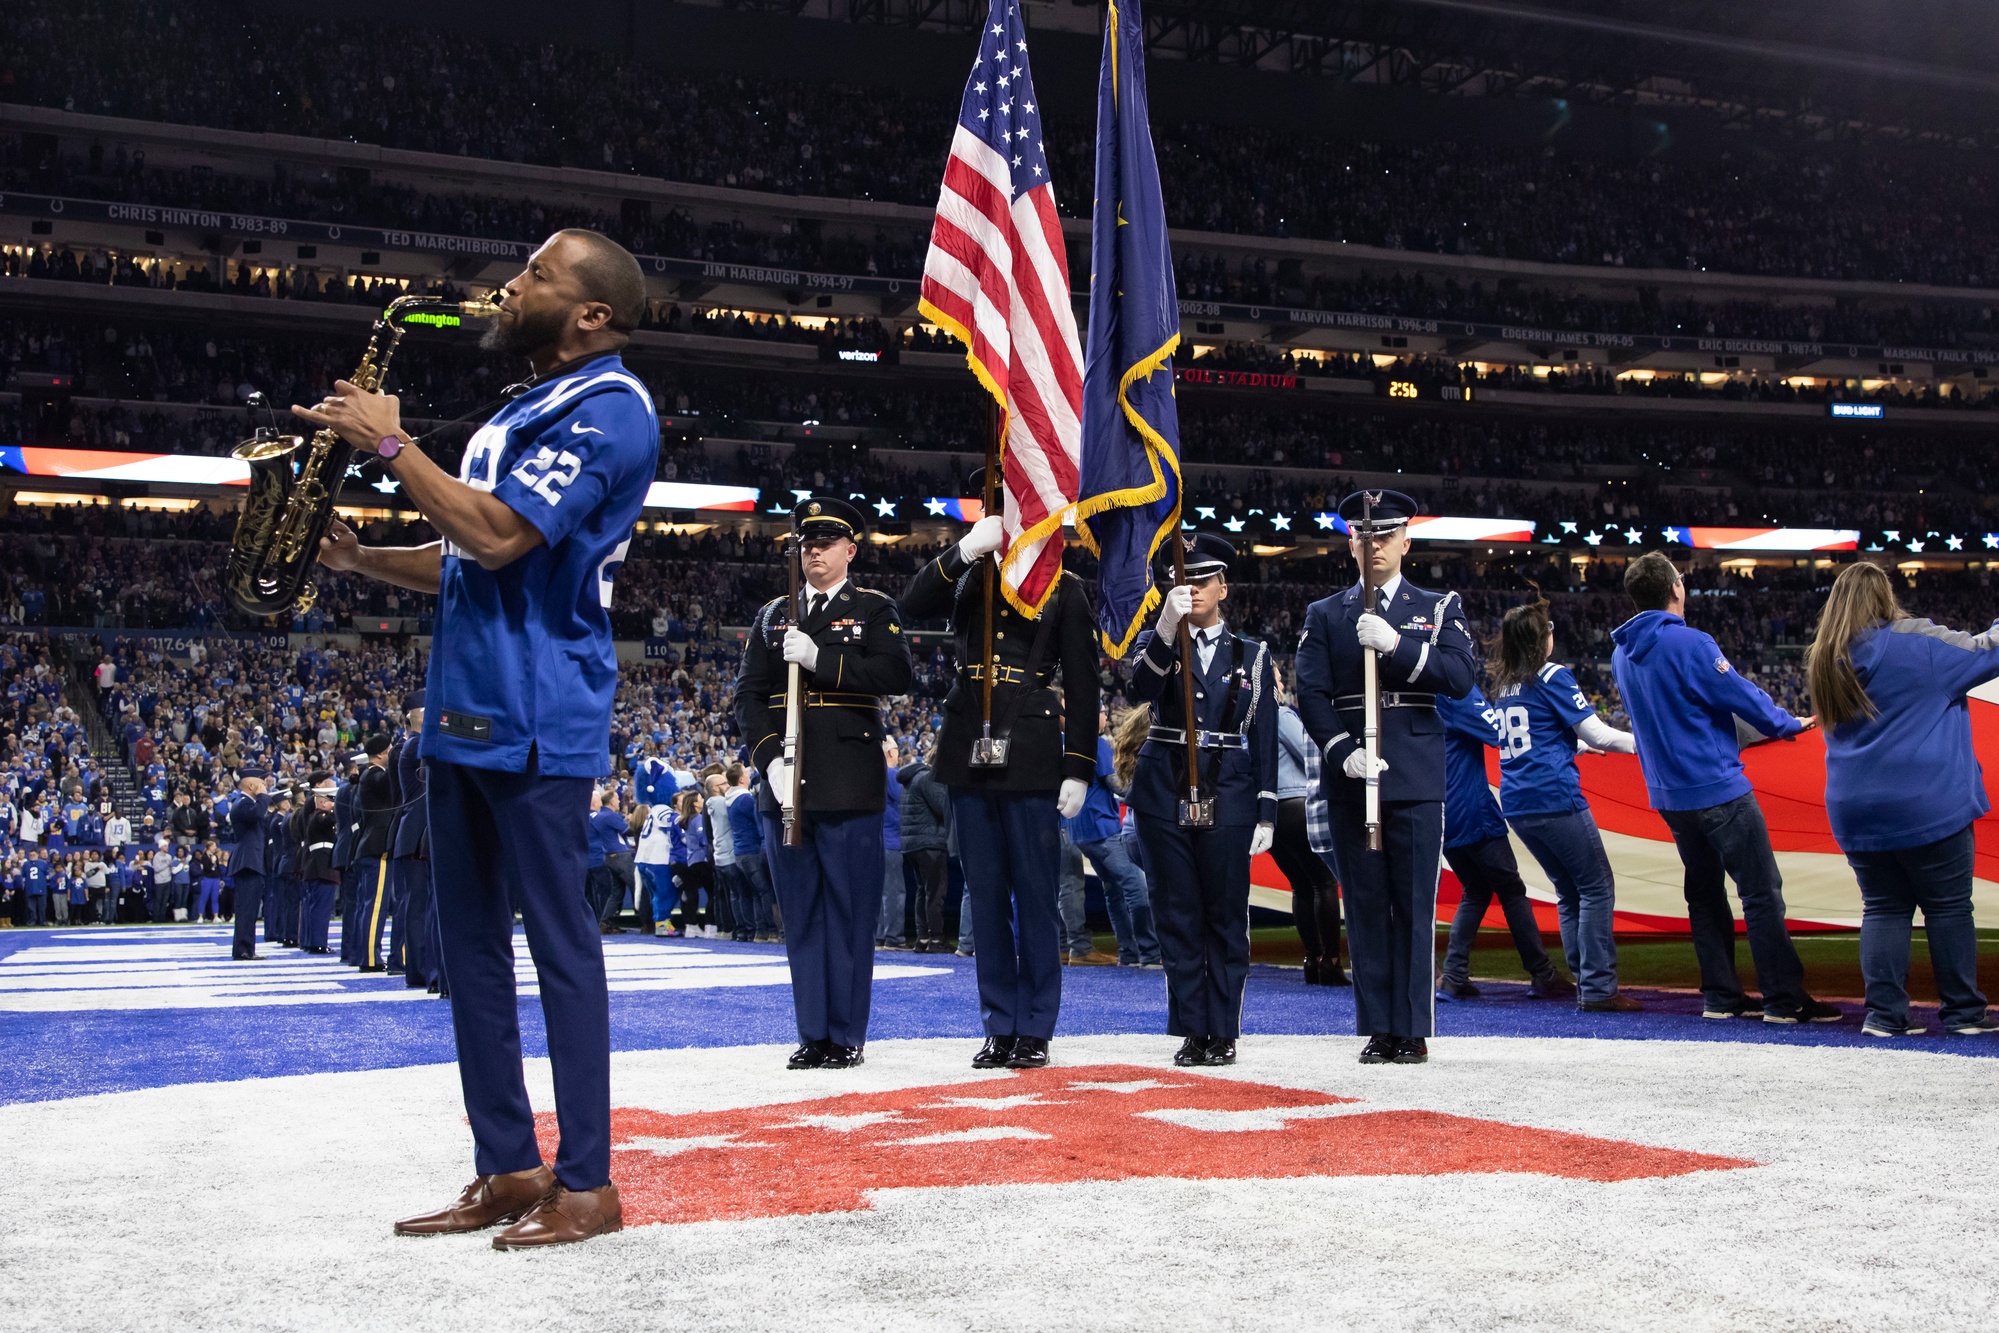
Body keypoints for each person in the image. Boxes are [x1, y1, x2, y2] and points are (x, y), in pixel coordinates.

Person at [304, 228, 658, 1247]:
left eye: (538, 274)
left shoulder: (611, 407)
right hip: (461, 706)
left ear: (591, 313)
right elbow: (468, 556)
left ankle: (587, 1183)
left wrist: (389, 444)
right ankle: (507, 1165)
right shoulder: (522, 404)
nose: (512, 284)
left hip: (541, 712)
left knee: (559, 949)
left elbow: (501, 534)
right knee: (467, 951)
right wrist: (363, 560)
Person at [897, 501, 1100, 1068]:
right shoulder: (968, 572)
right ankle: (999, 1024)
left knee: (1036, 896)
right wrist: (964, 550)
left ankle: (1035, 1026)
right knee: (984, 898)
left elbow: (1084, 684)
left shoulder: (1063, 585)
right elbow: (911, 605)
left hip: (1032, 750)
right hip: (968, 745)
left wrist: (1079, 764)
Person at [1611, 552, 1841, 1025]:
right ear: (1675, 589)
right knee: (1760, 893)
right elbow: (1738, 694)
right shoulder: (1692, 643)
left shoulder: (1621, 653)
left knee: (1704, 894)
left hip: (1669, 796)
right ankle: (1783, 999)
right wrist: (1786, 724)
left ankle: (1720, 994)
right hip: (1716, 787)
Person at [1295, 490, 1476, 1066]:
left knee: (1415, 904)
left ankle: (1414, 1027)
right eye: (1362, 536)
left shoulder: (1438, 605)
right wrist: (1341, 749)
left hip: (1415, 772)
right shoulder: (1325, 614)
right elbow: (1312, 693)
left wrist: (1399, 645)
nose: (1372, 545)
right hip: (1353, 775)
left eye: (1384, 535)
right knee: (1367, 905)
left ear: (1405, 541)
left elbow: (1460, 677)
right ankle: (1379, 1026)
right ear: (1350, 542)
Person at [732, 495, 912, 1071]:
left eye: (827, 541)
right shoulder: (772, 613)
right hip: (785, 787)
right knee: (802, 914)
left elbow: (896, 675)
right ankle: (813, 1033)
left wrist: (820, 661)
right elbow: (749, 697)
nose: (814, 550)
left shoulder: (875, 608)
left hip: (847, 780)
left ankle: (845, 1034)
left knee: (851, 913)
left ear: (850, 550)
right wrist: (769, 762)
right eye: (807, 541)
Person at [1807, 562, 1995, 1038]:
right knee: (1949, 907)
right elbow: (1987, 652)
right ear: (1884, 596)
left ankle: (1884, 1016)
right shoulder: (1918, 644)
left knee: (1884, 908)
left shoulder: (1826, 658)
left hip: (1854, 810)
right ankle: (1963, 1015)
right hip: (1927, 805)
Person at [1126, 533, 1279, 1069]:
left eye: (1201, 580)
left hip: (1230, 790)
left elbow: (1263, 735)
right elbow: (1138, 689)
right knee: (1177, 913)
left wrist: (1266, 808)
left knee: (1224, 914)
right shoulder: (1158, 638)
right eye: (1181, 580)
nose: (1189, 589)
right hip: (1163, 788)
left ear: (1223, 587)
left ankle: (1225, 1028)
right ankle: (1193, 1029)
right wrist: (1166, 625)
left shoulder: (1253, 655)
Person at [1489, 597, 1641, 1011]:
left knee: (1569, 891)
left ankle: (1584, 981)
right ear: (1542, 639)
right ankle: (1597, 988)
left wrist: (1569, 744)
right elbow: (1600, 735)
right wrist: (1648, 745)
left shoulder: (1506, 684)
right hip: (1554, 795)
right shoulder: (1553, 676)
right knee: (1595, 887)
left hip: (1518, 802)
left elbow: (1534, 734)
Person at [1434, 682, 1574, 1002]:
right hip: (1471, 807)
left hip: (1443, 809)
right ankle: (1543, 974)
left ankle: (1454, 976)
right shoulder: (1456, 690)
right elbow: (1501, 732)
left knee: (1478, 890)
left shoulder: (1427, 691)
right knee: (1511, 888)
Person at [1068, 708, 1159, 968]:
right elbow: (1118, 785)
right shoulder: (1096, 743)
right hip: (1102, 828)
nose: (1105, 717)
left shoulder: (1073, 744)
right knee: (1136, 886)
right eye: (1102, 712)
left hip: (1080, 830)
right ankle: (1150, 953)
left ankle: (1129, 953)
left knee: (1114, 891)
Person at [1273, 686, 1344, 985]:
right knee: (1324, 882)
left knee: (1300, 886)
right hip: (1295, 803)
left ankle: (1311, 958)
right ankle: (1330, 960)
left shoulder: (1244, 720)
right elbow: (1309, 753)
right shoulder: (1280, 714)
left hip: (1268, 811)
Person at [391, 694, 434, 987]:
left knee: (417, 903)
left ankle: (417, 967)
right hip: (419, 833)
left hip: (413, 832)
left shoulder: (411, 744)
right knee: (420, 905)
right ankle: (418, 968)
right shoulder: (418, 743)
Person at [897, 743, 952, 953]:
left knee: (923, 891)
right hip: (929, 843)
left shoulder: (910, 779)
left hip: (911, 844)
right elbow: (942, 807)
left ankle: (922, 938)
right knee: (936, 892)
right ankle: (936, 939)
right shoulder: (929, 778)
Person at [351, 734, 399, 971]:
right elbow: (391, 782)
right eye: (390, 750)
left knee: (370, 905)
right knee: (375, 906)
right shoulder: (372, 774)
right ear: (381, 754)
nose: (392, 753)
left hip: (371, 845)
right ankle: (370, 959)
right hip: (377, 845)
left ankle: (366, 955)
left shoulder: (368, 774)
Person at [226, 772, 271, 960]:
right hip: (247, 861)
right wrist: (262, 797)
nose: (265, 787)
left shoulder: (246, 803)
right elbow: (258, 814)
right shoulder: (243, 803)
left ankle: (247, 948)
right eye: (261, 784)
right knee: (246, 909)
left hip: (251, 861)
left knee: (250, 909)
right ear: (251, 786)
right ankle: (244, 949)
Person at [299, 777, 340, 953]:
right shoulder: (319, 817)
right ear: (322, 802)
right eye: (330, 801)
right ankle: (318, 943)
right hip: (322, 865)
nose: (332, 805)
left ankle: (311, 941)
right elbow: (329, 821)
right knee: (321, 907)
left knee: (315, 906)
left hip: (316, 865)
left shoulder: (314, 817)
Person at [876, 738, 908, 950]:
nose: (899, 753)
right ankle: (894, 937)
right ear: (890, 753)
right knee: (895, 892)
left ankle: (880, 936)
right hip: (892, 841)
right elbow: (903, 801)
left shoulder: (873, 775)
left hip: (878, 841)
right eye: (897, 749)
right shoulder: (892, 774)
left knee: (880, 893)